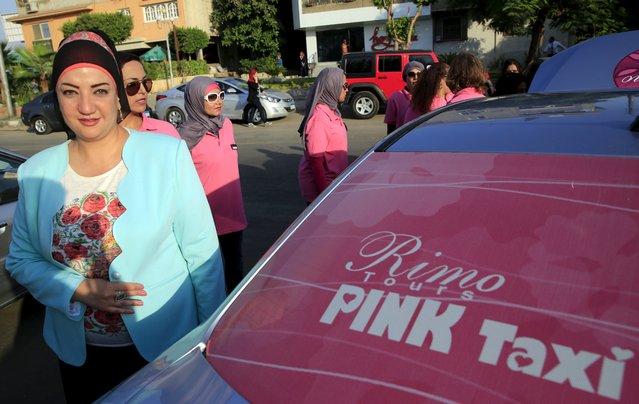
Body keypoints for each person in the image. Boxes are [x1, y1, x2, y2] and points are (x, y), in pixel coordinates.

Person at [5, 30, 225, 403]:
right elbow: (22, 260)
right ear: (56, 97)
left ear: (117, 94)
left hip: (164, 348)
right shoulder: (37, 172)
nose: (86, 106)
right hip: (81, 357)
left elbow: (202, 257)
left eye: (100, 90)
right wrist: (79, 288)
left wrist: (209, 339)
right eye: (70, 91)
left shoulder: (166, 155)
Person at [178, 76, 248, 293]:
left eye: (221, 95)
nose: (218, 101)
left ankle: (232, 315)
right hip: (204, 218)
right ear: (196, 100)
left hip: (233, 212)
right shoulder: (183, 137)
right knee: (209, 274)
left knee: (235, 266)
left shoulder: (226, 125)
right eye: (211, 97)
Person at [297, 67, 349, 203]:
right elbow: (316, 161)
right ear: (332, 87)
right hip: (324, 188)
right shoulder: (319, 118)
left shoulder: (332, 111)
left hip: (333, 184)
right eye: (344, 86)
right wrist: (323, 198)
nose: (347, 89)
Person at [118, 52, 180, 137]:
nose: (143, 90)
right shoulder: (100, 140)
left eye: (145, 82)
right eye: (132, 85)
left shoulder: (166, 131)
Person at [384, 61, 424, 134]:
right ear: (406, 77)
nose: (416, 77)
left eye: (419, 74)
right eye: (411, 74)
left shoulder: (428, 96)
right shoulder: (395, 98)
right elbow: (391, 128)